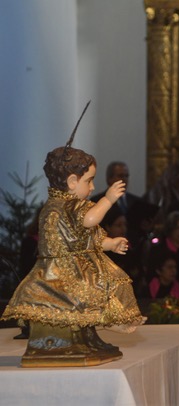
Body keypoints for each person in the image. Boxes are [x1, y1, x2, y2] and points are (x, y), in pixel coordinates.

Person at [1, 144, 145, 366]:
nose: (92, 186)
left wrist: (110, 243)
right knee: (101, 285)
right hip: (62, 270)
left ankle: (87, 335)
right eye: (89, 181)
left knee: (114, 280)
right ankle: (79, 336)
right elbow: (90, 220)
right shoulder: (65, 206)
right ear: (71, 182)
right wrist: (107, 199)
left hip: (80, 263)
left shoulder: (69, 204)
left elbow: (89, 236)